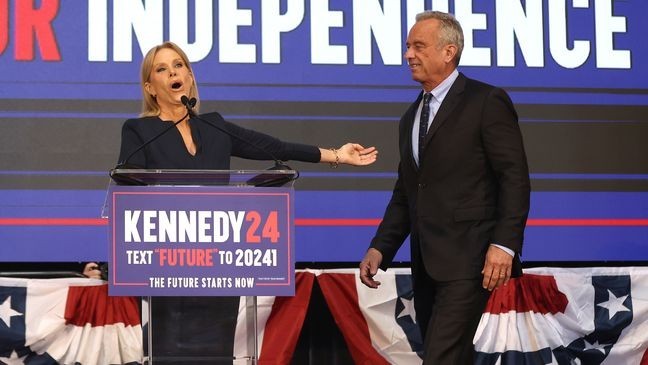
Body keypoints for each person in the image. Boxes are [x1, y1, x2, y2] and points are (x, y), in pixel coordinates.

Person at [359, 11, 530, 364]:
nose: (409, 54)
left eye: (418, 46)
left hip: (472, 259)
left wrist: (504, 245)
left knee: (441, 356)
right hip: (426, 263)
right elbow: (408, 191)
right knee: (451, 356)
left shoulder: (486, 101)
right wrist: (381, 247)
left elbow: (514, 177)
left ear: (448, 52)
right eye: (408, 46)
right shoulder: (410, 116)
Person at [116, 41, 377, 171]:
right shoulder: (140, 131)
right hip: (164, 250)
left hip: (216, 247)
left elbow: (277, 148)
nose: (173, 73)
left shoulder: (214, 126)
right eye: (162, 69)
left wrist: (337, 155)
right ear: (150, 87)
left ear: (190, 76)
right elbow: (128, 192)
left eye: (179, 65)